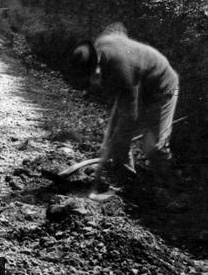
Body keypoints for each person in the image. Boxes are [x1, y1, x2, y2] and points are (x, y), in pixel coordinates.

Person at [73, 22, 179, 189]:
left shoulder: (121, 71)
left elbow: (130, 116)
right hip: (141, 83)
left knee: (153, 145)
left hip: (162, 86)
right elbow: (118, 27)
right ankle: (127, 182)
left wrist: (115, 143)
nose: (93, 80)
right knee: (116, 140)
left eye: (92, 74)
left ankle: (169, 188)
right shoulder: (101, 43)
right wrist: (109, 141)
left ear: (98, 64)